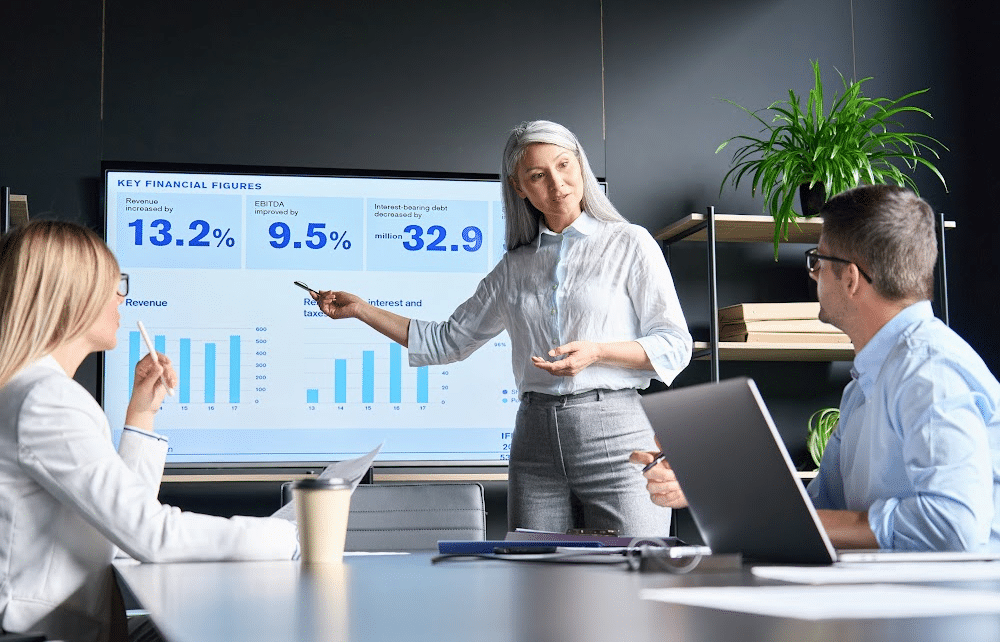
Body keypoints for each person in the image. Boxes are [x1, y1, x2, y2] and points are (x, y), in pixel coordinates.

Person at [312, 120, 692, 536]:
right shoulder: (514, 267)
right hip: (535, 443)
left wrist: (598, 352)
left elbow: (675, 345)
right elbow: (447, 341)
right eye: (537, 176)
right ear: (519, 188)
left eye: (564, 165)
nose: (558, 183)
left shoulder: (630, 244)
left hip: (618, 436)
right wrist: (363, 310)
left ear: (580, 165)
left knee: (631, 578)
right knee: (535, 580)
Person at [632, 184, 1000, 552]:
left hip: (952, 599)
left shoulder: (928, 371)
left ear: (852, 278)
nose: (813, 274)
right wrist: (706, 486)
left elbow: (953, 525)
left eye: (817, 261)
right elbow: (818, 511)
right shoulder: (865, 384)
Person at [0, 221, 298, 642]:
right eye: (113, 284)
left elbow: (118, 528)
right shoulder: (46, 398)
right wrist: (287, 536)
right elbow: (151, 535)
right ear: (72, 296)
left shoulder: (31, 390)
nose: (122, 297)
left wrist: (142, 412)